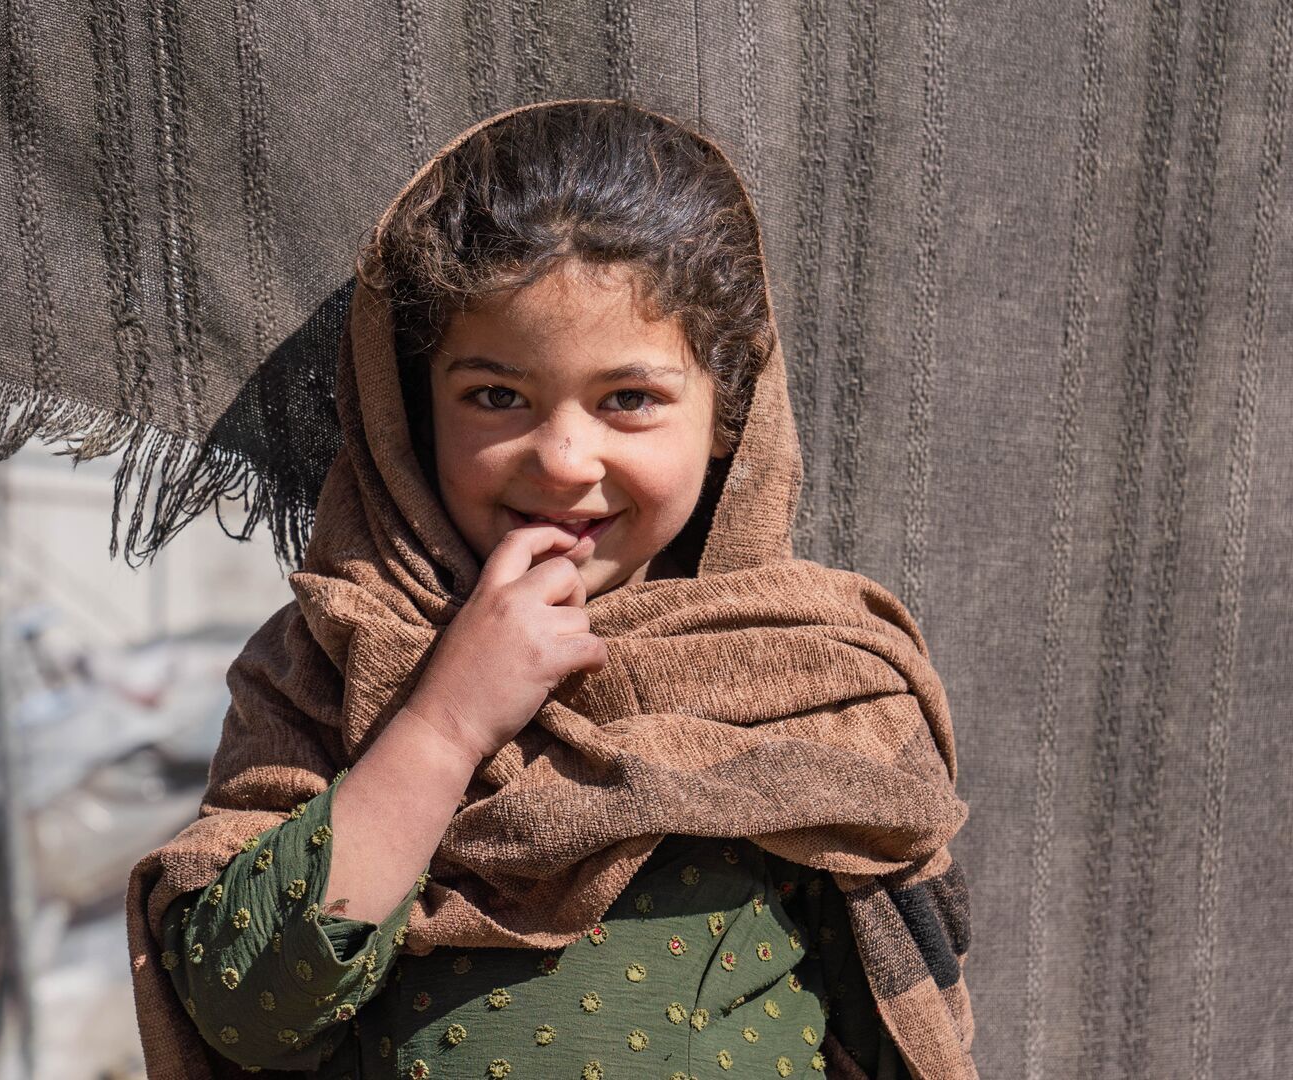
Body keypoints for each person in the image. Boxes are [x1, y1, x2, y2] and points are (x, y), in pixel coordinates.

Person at [127, 99, 972, 1080]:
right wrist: (444, 724)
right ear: (411, 410)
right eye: (495, 397)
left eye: (629, 400)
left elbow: (905, 1032)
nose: (565, 459)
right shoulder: (329, 659)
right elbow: (245, 1004)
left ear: (726, 412)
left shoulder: (819, 679)